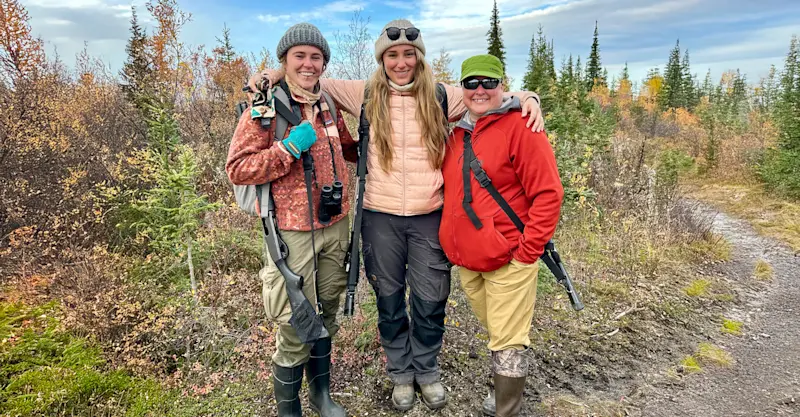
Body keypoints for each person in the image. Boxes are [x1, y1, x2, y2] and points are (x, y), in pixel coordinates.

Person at [248, 19, 545, 412]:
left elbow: (488, 95)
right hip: (379, 217)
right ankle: (401, 374)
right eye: (392, 55)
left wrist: (530, 98)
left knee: (429, 300)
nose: (401, 62)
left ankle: (426, 369)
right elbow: (306, 78)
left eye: (409, 54)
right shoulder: (364, 93)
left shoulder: (442, 96)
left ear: (418, 58)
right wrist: (269, 73)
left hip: (428, 216)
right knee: (388, 301)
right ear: (382, 59)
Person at [227, 23, 356, 417]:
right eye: (299, 56)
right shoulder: (266, 107)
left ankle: (320, 395)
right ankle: (289, 410)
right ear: (284, 61)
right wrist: (286, 148)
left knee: (328, 311)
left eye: (316, 57)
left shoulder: (328, 105)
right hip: (292, 232)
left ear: (323, 64)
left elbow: (348, 149)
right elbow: (238, 168)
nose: (308, 63)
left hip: (336, 225)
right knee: (297, 321)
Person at [438, 54, 564, 417]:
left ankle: (506, 408)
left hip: (510, 257)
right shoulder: (457, 133)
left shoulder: (522, 127)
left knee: (507, 340)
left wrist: (527, 252)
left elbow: (549, 194)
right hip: (468, 259)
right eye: (472, 83)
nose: (480, 90)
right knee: (500, 332)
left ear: (502, 86)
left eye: (488, 83)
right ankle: (507, 383)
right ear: (462, 89)